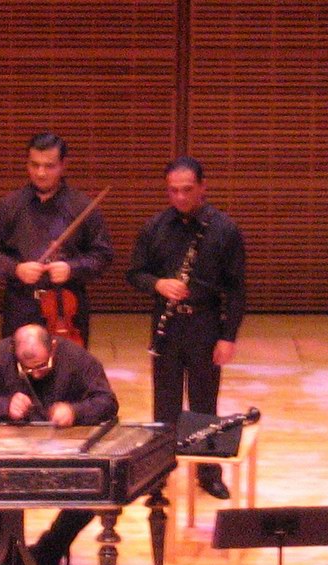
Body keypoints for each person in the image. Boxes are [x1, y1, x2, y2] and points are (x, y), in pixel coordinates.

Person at [0, 323, 118, 565]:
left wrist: (76, 411)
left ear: (53, 346)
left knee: (97, 491)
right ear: (13, 350)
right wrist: (4, 406)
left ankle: (45, 555)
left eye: (42, 366)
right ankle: (9, 559)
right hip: (10, 451)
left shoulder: (76, 358)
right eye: (27, 368)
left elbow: (108, 402)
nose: (35, 374)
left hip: (64, 450)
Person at [126, 155, 246, 499]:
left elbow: (236, 289)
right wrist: (159, 285)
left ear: (203, 188)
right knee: (164, 404)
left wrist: (228, 337)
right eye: (173, 191)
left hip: (205, 324)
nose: (180, 197)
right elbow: (135, 273)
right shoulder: (154, 227)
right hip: (168, 325)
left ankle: (209, 472)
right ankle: (159, 471)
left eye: (187, 190)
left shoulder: (224, 230)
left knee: (204, 401)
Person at [0, 132, 113, 347]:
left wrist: (72, 268)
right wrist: (16, 269)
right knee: (17, 374)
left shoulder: (82, 206)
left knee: (68, 373)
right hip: (22, 304)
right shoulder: (10, 205)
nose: (40, 173)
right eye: (34, 165)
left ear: (63, 165)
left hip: (67, 305)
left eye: (49, 166)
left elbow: (103, 255)